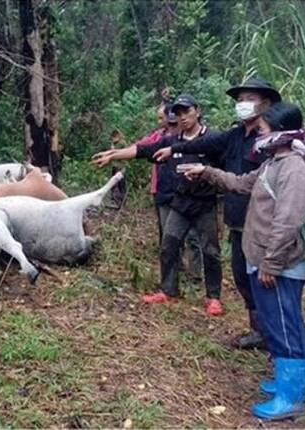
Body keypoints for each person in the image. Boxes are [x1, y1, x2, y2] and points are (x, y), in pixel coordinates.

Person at [180, 102, 305, 420]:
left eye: (264, 129)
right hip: (267, 258)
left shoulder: (294, 168)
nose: (259, 133)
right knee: (285, 322)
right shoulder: (274, 161)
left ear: (280, 132)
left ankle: (291, 396)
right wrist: (207, 172)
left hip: (279, 264)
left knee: (284, 326)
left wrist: (271, 263)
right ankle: (294, 382)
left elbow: (287, 221)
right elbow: (242, 184)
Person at [153, 77, 282, 348]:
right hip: (236, 219)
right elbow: (202, 147)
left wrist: (205, 172)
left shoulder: (273, 142)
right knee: (243, 277)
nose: (242, 105)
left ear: (267, 103)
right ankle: (259, 332)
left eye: (249, 99)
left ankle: (278, 338)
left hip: (260, 221)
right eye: (239, 100)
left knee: (266, 280)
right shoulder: (235, 135)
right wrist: (173, 148)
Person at [93, 94, 223, 316]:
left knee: (210, 250)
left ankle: (213, 297)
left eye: (186, 111)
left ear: (197, 111)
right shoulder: (172, 140)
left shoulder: (213, 139)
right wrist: (113, 155)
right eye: (178, 113)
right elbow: (142, 150)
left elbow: (226, 168)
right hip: (180, 202)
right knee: (168, 244)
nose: (182, 117)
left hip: (205, 203)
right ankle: (169, 290)